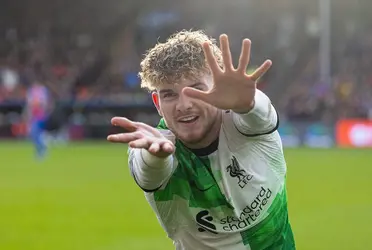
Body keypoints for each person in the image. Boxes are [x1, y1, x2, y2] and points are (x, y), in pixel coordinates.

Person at [108, 30, 296, 249]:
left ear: (218, 87)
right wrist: (156, 156)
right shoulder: (153, 143)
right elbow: (149, 174)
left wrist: (248, 101)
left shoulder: (243, 121)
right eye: (169, 94)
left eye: (196, 89)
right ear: (157, 103)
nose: (184, 105)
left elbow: (260, 115)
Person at [24, 81, 51, 160]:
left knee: (36, 132)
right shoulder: (31, 91)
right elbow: (30, 104)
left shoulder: (43, 91)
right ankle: (40, 150)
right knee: (34, 134)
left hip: (41, 116)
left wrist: (37, 104)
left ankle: (42, 150)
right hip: (33, 116)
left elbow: (43, 104)